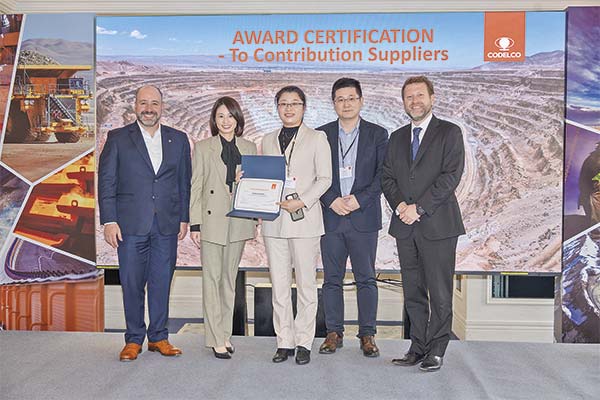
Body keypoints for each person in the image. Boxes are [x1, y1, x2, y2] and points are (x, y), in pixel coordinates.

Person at [98, 85, 191, 362]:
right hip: (129, 225)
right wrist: (109, 220)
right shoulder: (117, 138)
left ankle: (159, 337)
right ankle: (134, 339)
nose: (148, 108)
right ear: (134, 106)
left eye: (154, 103)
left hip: (166, 224)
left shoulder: (179, 139)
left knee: (162, 282)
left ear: (162, 107)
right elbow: (107, 182)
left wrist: (184, 217)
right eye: (143, 103)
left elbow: (183, 183)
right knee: (132, 282)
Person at [381, 76, 465, 372]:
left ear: (432, 97)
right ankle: (417, 346)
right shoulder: (397, 137)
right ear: (403, 102)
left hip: (438, 225)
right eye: (409, 97)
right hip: (405, 225)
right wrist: (401, 206)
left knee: (440, 292)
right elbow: (387, 177)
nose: (414, 101)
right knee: (413, 291)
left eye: (420, 95)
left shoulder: (450, 132)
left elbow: (450, 176)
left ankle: (437, 349)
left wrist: (420, 208)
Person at [261, 85, 332, 365]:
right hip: (274, 223)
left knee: (305, 284)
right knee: (278, 285)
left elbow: (324, 179)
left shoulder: (317, 138)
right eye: (283, 104)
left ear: (304, 107)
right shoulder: (266, 140)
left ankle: (303, 341)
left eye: (294, 104)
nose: (288, 109)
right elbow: (263, 179)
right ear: (277, 108)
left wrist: (301, 201)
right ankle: (284, 342)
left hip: (304, 221)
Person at [317, 77, 388, 357]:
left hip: (363, 217)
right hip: (331, 217)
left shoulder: (378, 134)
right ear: (333, 103)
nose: (346, 104)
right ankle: (333, 333)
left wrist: (359, 200)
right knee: (331, 279)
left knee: (366, 279)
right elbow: (315, 175)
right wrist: (331, 199)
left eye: (351, 98)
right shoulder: (321, 134)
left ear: (361, 100)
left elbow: (384, 174)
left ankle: (367, 335)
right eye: (340, 99)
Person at [189, 96, 257, 359]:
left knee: (229, 281)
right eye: (220, 116)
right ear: (214, 120)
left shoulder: (249, 147)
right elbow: (196, 187)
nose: (226, 121)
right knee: (212, 280)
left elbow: (256, 185)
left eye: (230, 116)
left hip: (238, 221)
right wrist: (196, 223)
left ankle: (225, 334)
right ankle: (215, 338)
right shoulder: (203, 147)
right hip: (211, 220)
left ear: (237, 119)